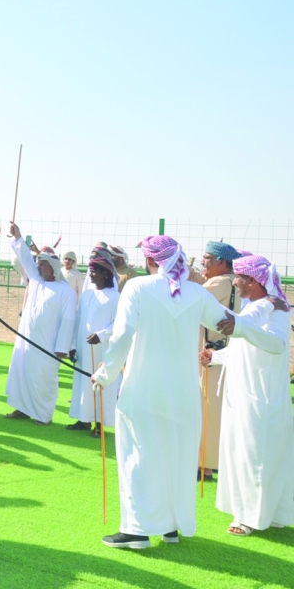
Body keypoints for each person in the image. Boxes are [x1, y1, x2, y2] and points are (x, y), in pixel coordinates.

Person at [93, 235, 230, 549]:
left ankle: (137, 531)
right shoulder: (197, 293)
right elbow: (229, 323)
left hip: (143, 391)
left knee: (138, 456)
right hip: (184, 396)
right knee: (175, 457)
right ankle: (169, 527)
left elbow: (123, 334)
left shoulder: (138, 287)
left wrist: (105, 374)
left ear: (151, 260)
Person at [202, 255, 293, 536]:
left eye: (239, 278)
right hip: (240, 395)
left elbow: (278, 344)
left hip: (261, 396)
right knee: (241, 454)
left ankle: (249, 518)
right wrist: (215, 357)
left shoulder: (277, 310)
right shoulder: (255, 307)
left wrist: (241, 327)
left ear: (252, 281)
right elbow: (243, 348)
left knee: (256, 456)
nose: (234, 283)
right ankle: (265, 513)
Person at [4, 223, 77, 425]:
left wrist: (63, 347)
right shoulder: (35, 280)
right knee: (22, 373)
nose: (38, 267)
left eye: (42, 264)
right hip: (26, 340)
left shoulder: (66, 291)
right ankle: (22, 409)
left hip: (49, 345)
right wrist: (17, 237)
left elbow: (69, 321)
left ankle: (43, 416)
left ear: (53, 267)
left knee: (43, 378)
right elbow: (25, 259)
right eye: (38, 264)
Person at [189, 240, 243, 481]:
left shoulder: (220, 282)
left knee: (208, 408)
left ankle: (206, 465)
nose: (203, 262)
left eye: (208, 258)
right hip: (224, 354)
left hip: (211, 356)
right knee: (216, 408)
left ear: (222, 263)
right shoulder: (231, 282)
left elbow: (191, 298)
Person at [66, 248, 120, 437]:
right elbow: (78, 320)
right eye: (90, 272)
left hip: (103, 350)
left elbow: (118, 324)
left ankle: (99, 424)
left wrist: (101, 335)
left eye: (95, 272)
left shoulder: (115, 297)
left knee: (101, 383)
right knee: (83, 383)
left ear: (105, 274)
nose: (91, 275)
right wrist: (73, 345)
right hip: (83, 348)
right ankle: (84, 420)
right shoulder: (87, 295)